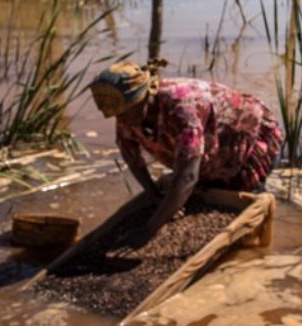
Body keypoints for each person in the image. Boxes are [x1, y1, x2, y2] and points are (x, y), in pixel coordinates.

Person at [89, 61, 284, 248]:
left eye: (126, 113)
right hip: (211, 147)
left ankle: (253, 253)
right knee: (203, 195)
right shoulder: (127, 114)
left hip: (245, 139)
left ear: (144, 97)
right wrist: (154, 195)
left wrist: (149, 229)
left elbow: (188, 177)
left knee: (244, 214)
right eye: (117, 115)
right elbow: (131, 157)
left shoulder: (182, 108)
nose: (122, 119)